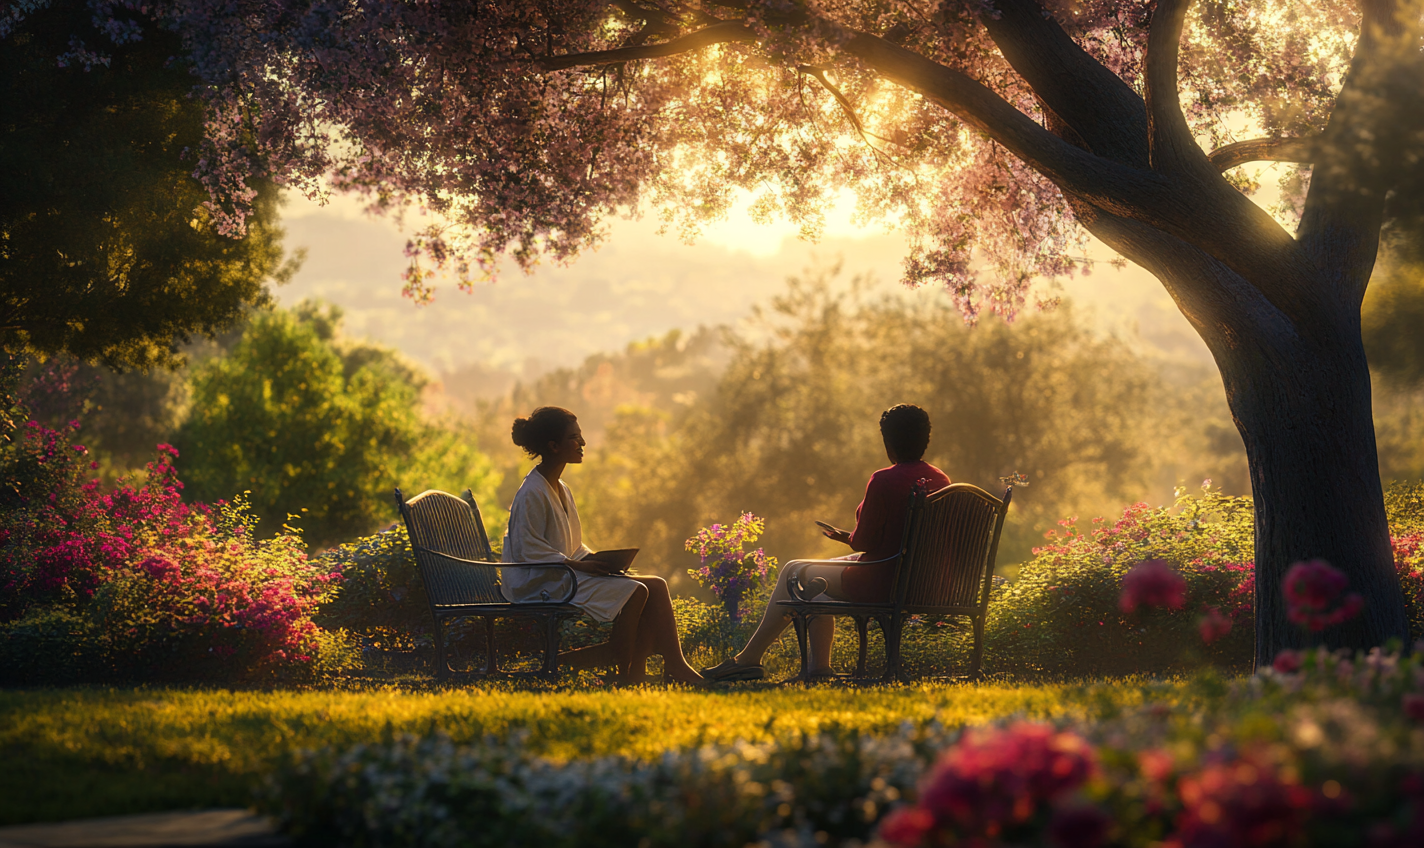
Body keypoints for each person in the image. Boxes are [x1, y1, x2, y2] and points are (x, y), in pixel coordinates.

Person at [701, 404, 950, 682]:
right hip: (920, 579)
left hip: (882, 579)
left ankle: (748, 659)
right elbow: (897, 538)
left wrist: (852, 538)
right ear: (925, 439)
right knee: (812, 588)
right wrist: (849, 537)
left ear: (888, 442)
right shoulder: (941, 480)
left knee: (794, 571)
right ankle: (818, 670)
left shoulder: (884, 479)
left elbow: (864, 542)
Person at [502, 406, 704, 685]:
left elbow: (570, 545)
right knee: (635, 591)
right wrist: (577, 565)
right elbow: (528, 550)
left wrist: (598, 560)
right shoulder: (532, 492)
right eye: (575, 437)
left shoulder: (561, 488)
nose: (583, 443)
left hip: (563, 571)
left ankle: (675, 664)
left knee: (656, 585)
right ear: (554, 446)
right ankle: (626, 675)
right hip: (539, 582)